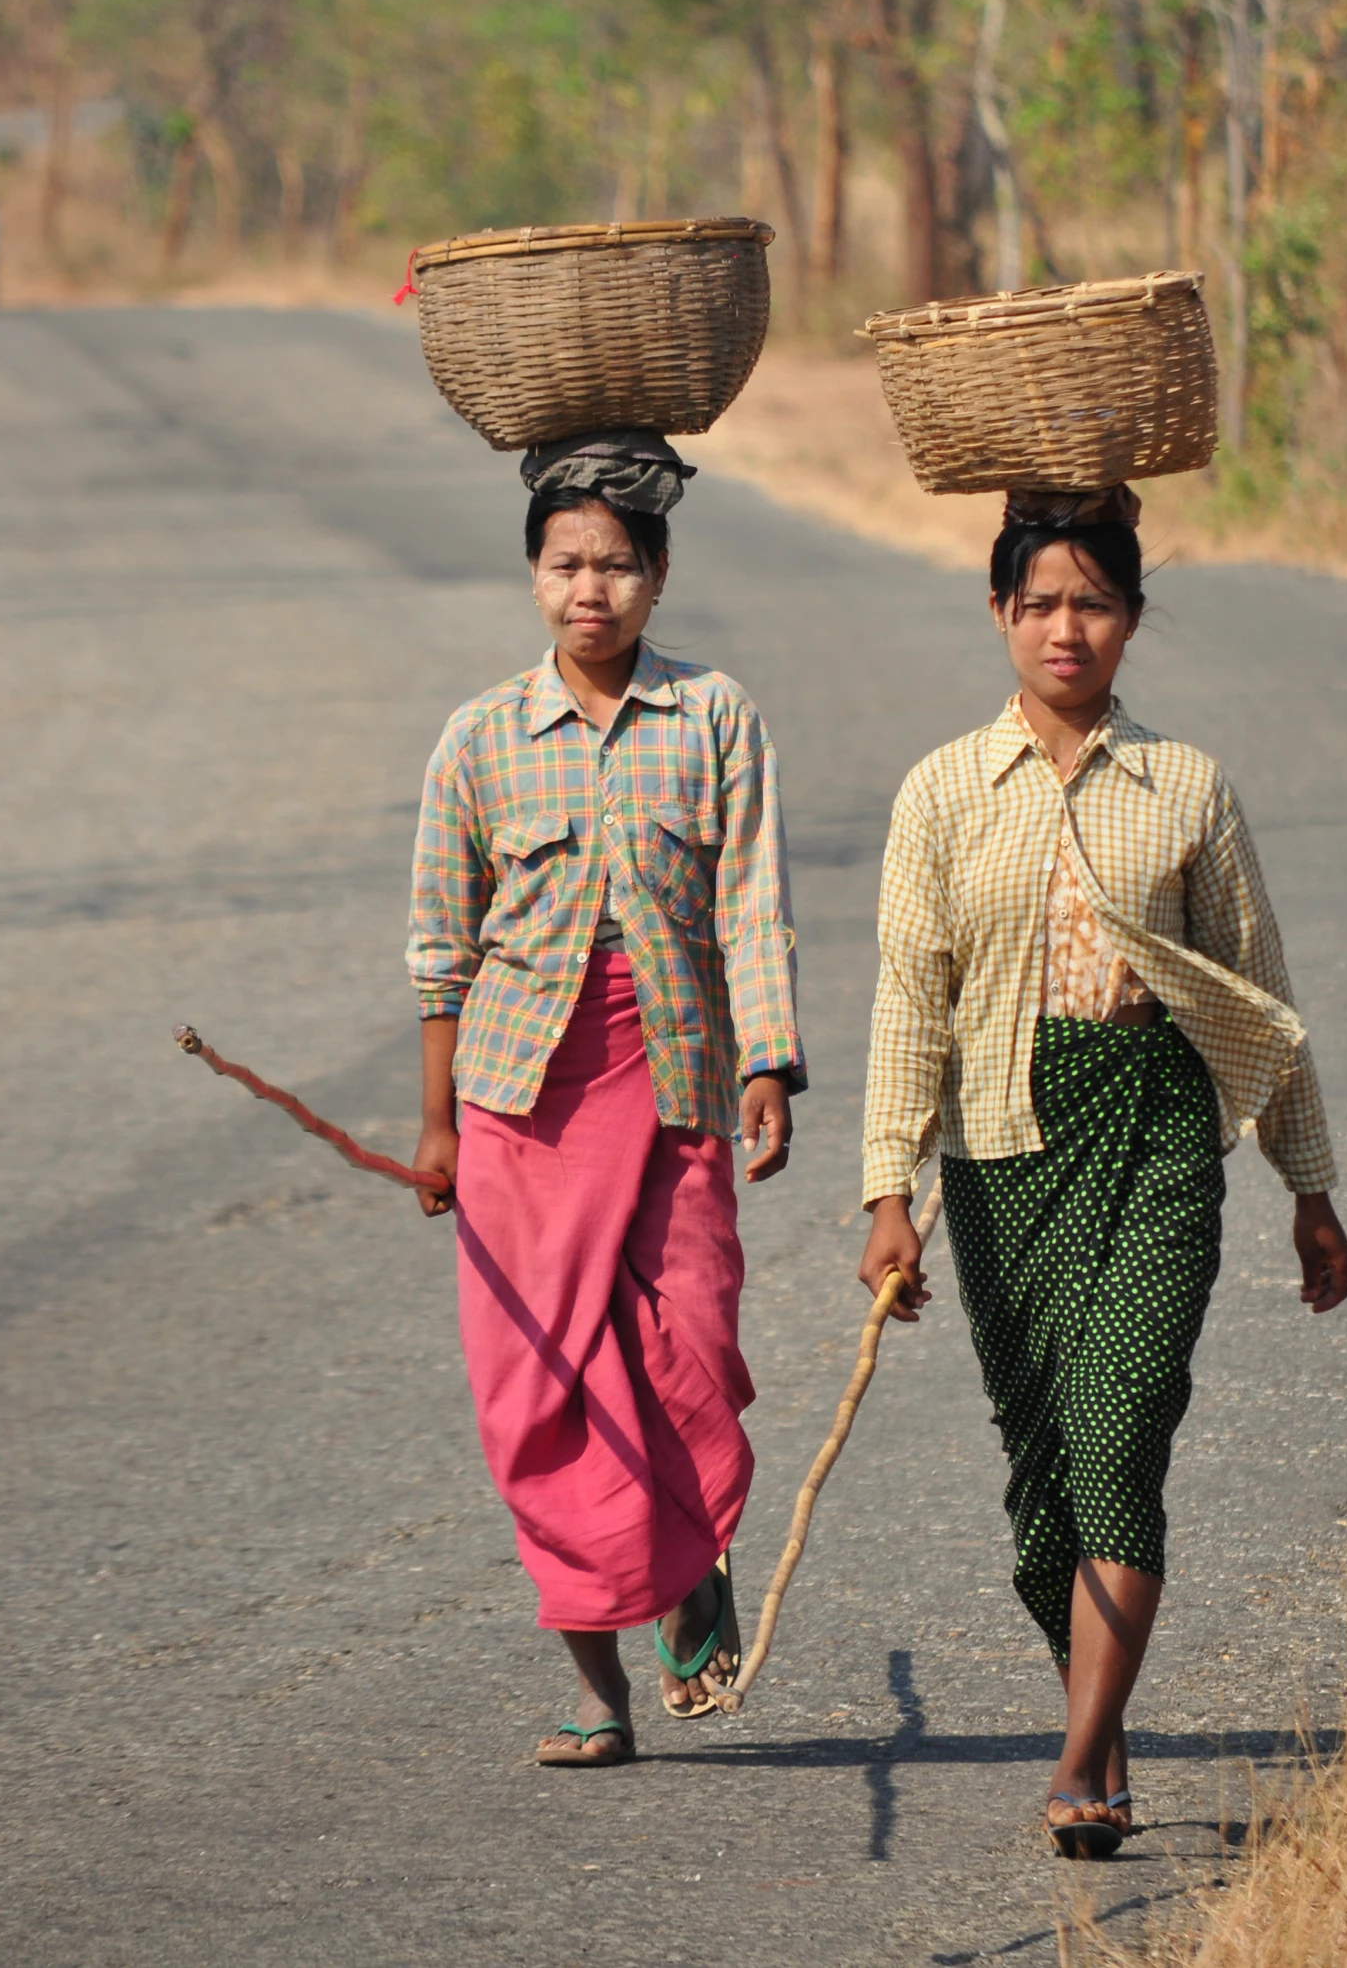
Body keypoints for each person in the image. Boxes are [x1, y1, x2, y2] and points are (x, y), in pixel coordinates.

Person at [857, 487, 1347, 1858]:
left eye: (1092, 602)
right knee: (1043, 1488)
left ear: (1131, 620)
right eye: (1039, 602)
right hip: (1005, 1151)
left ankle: (1083, 1760)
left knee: (1123, 1425)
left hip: (1153, 1141)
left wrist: (1307, 1188)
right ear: (999, 613)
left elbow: (1259, 995)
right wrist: (887, 1190)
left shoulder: (1184, 786)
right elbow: (910, 997)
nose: (1064, 628)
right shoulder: (943, 790)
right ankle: (1103, 1704)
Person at [407, 428, 805, 1766]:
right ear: (533, 577)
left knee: (686, 1346)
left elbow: (753, 908)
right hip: (519, 1105)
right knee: (537, 1388)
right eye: (569, 564)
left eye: (619, 566)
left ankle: (690, 1568)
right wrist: (434, 1124)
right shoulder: (475, 742)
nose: (593, 590)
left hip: (679, 1082)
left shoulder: (716, 719)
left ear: (660, 574)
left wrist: (766, 1062)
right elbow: (437, 945)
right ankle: (595, 1686)